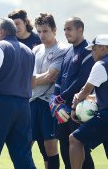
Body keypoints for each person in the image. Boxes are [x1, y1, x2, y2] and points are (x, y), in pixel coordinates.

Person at [0, 18, 36, 169]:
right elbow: (33, 82)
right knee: (23, 155)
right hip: (23, 106)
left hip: (1, 104)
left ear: (1, 31)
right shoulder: (29, 51)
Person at [51, 17, 95, 169]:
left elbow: (82, 80)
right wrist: (55, 100)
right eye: (64, 29)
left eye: (69, 29)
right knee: (64, 149)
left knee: (81, 151)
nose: (66, 33)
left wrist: (61, 98)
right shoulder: (68, 51)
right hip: (62, 111)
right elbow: (60, 78)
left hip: (78, 110)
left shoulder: (88, 50)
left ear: (80, 30)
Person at [30, 13, 67, 169]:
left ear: (54, 30)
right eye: (39, 31)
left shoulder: (62, 49)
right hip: (32, 102)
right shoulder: (36, 50)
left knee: (50, 146)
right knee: (28, 143)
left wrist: (27, 81)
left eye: (45, 31)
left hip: (49, 104)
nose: (41, 35)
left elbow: (50, 76)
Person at [69, 34, 108, 169]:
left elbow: (85, 91)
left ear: (103, 48)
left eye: (94, 49)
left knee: (74, 139)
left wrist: (74, 106)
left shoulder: (101, 65)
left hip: (106, 116)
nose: (92, 52)